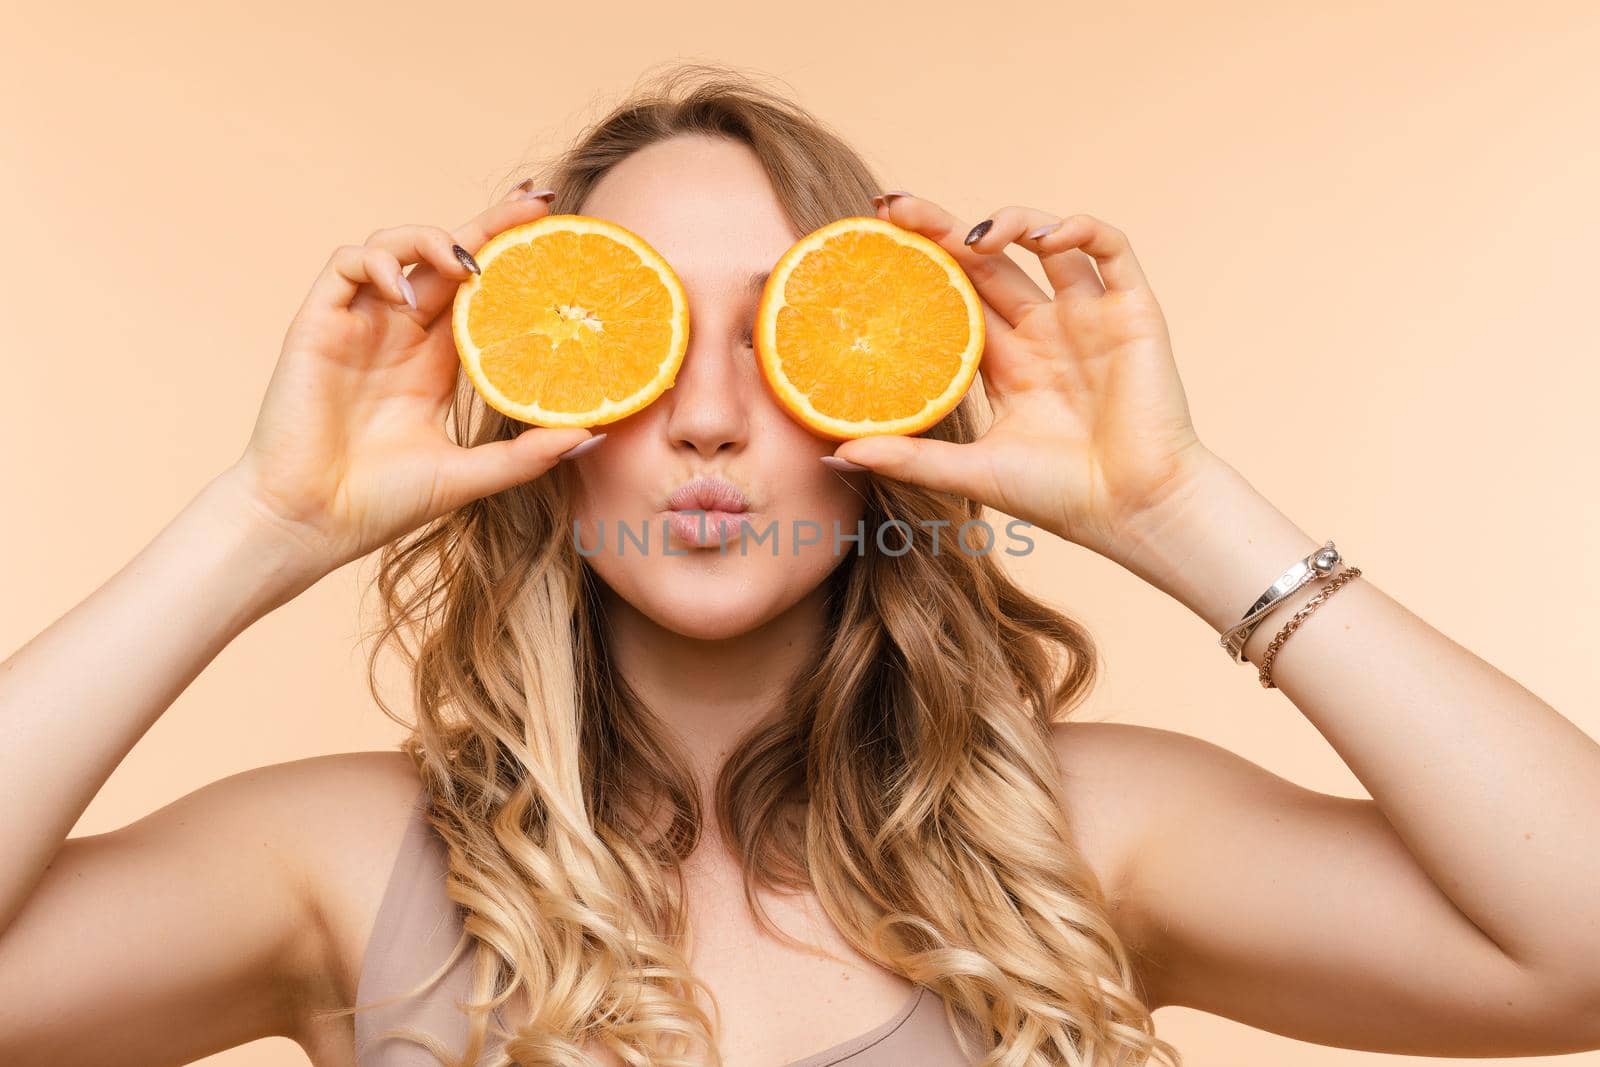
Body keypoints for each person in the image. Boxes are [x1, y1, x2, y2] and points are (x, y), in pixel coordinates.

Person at [3, 64, 1599, 1067]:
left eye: (788, 342)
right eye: (625, 342)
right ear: (531, 407)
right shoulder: (343, 869)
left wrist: (1176, 505)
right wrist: (261, 527)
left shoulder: (1087, 843)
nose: (705, 420)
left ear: (895, 390)